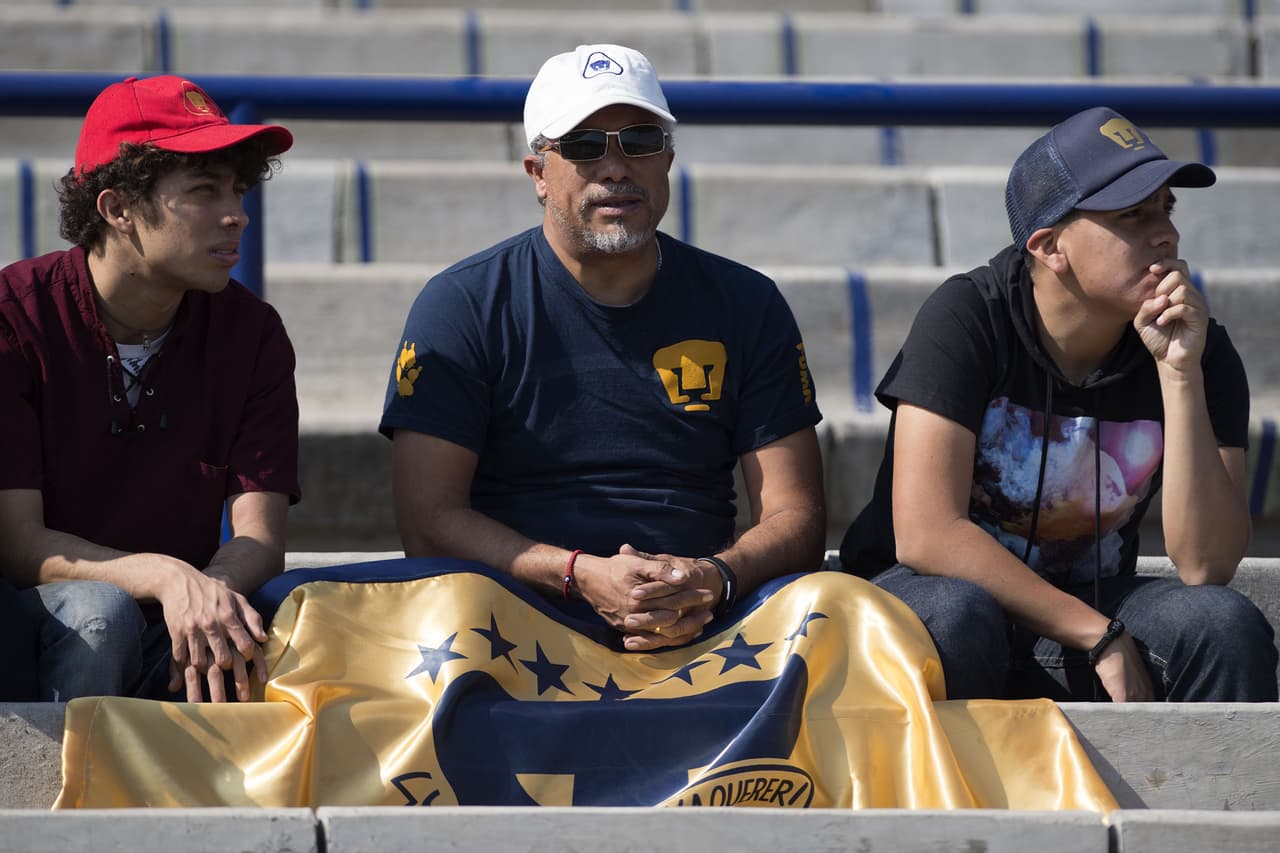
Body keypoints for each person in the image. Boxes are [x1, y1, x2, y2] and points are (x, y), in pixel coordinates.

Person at [380, 44, 825, 651]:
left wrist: (712, 578)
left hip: (704, 616)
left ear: (667, 159)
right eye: (585, 147)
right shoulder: (463, 303)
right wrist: (578, 575)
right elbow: (427, 524)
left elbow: (796, 517)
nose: (616, 168)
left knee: (852, 611)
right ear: (538, 174)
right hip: (508, 624)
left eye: (639, 141)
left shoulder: (748, 302)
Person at [840, 106, 1277, 702]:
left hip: (1091, 602)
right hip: (932, 597)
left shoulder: (1197, 347)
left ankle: (1202, 798)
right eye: (1132, 214)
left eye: (1166, 209)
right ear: (1049, 246)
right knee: (957, 612)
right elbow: (927, 535)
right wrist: (1100, 635)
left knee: (1222, 625)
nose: (1165, 233)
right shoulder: (968, 317)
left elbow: (1207, 566)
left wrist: (1179, 375)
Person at [0, 75, 300, 703]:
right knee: (99, 614)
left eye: (238, 190)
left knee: (285, 624)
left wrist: (208, 593)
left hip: (177, 616)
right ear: (116, 209)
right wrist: (167, 577)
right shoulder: (14, 315)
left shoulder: (253, 333)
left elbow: (260, 539)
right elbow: (18, 542)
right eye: (203, 190)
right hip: (30, 622)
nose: (236, 214)